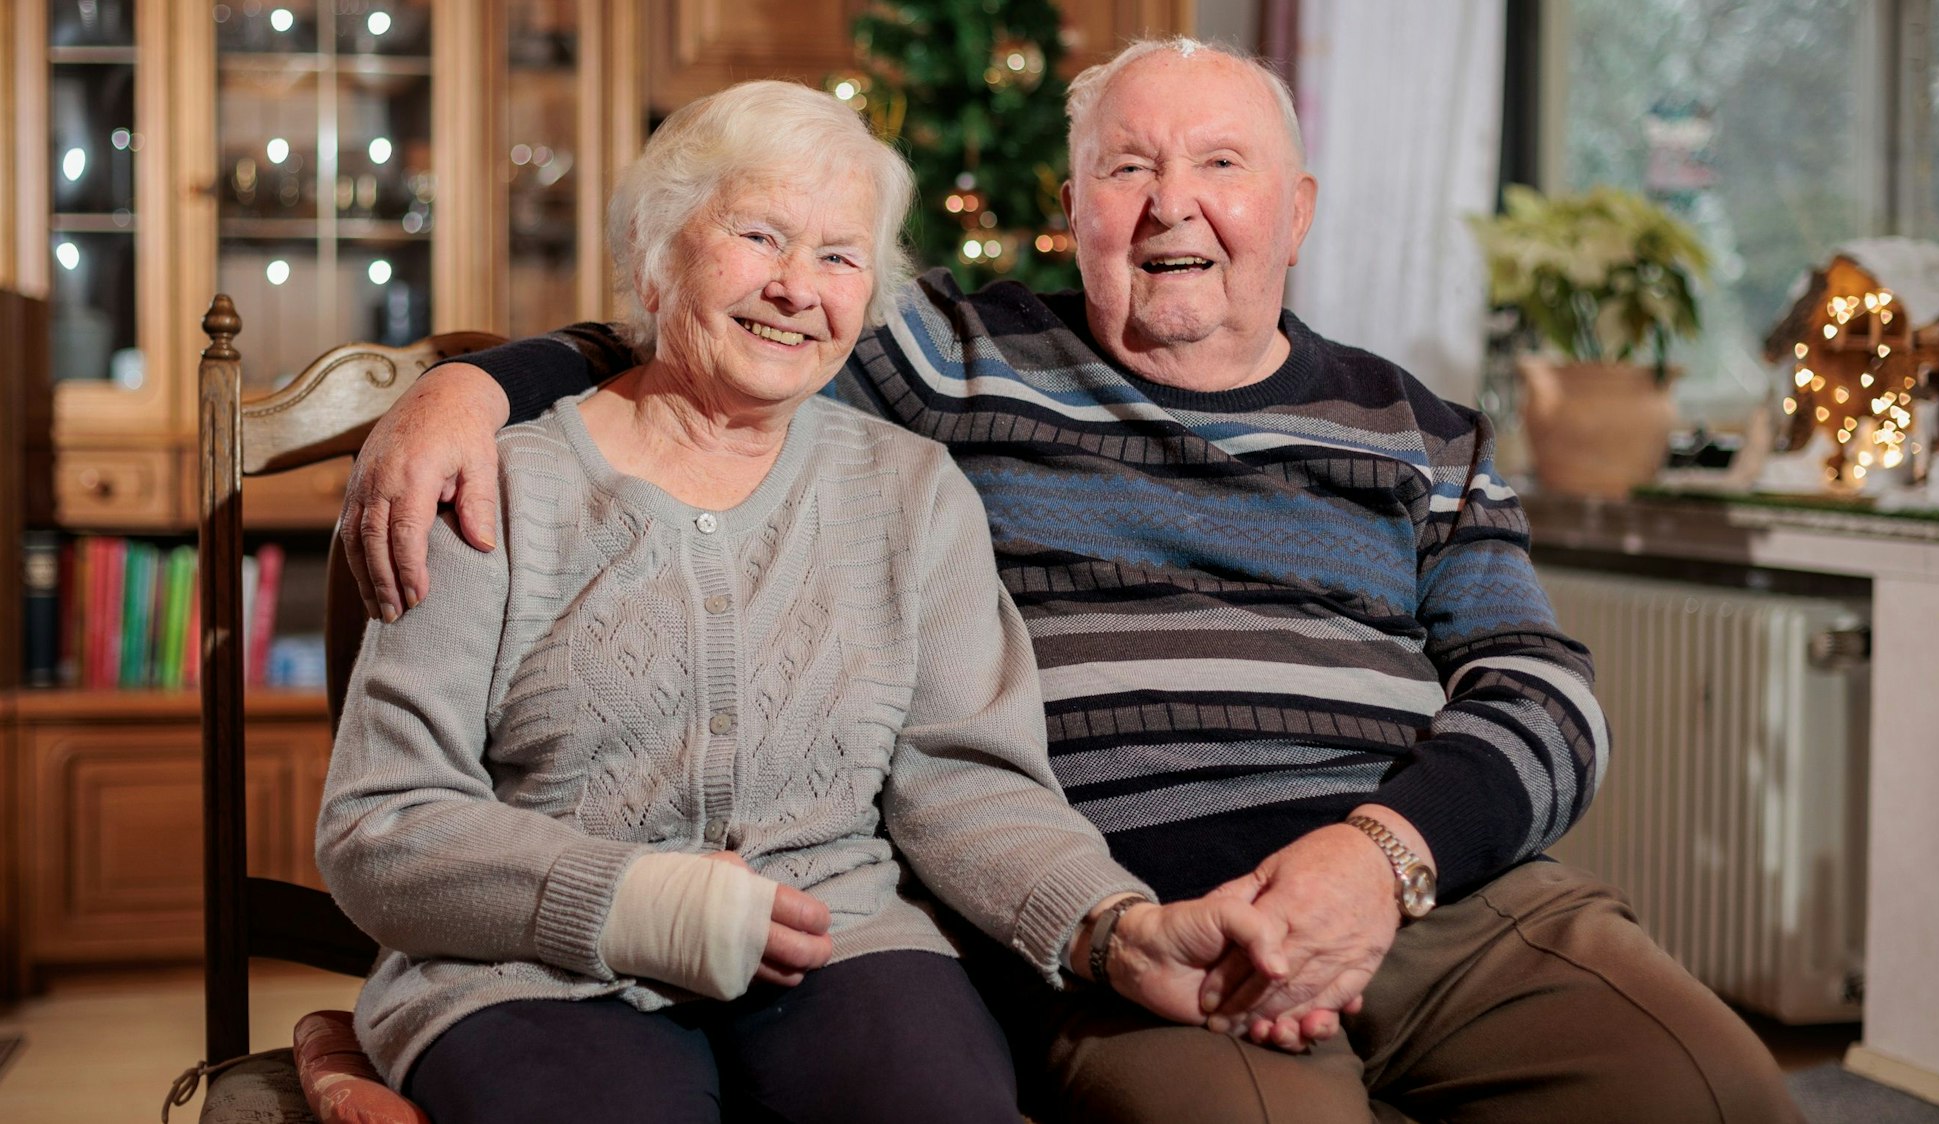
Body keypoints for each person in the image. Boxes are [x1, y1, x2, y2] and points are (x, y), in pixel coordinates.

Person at [339, 39, 1806, 1124]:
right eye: (1127, 167)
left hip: (1432, 886)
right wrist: (471, 393)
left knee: (1715, 1097)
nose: (1174, 205)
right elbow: (714, 328)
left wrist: (1387, 855)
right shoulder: (953, 363)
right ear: (1072, 209)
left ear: (1293, 208)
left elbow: (1537, 686)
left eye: (1219, 166)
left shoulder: (1416, 427)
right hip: (1149, 898)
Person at [315, 78, 1294, 1124]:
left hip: (844, 937)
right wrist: (639, 901)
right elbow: (383, 825)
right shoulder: (493, 488)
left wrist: (1113, 927)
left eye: (838, 255)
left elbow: (969, 783)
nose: (795, 287)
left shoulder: (910, 490)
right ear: (657, 254)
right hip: (526, 966)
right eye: (758, 234)